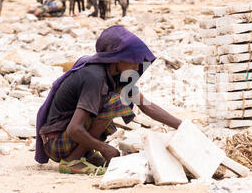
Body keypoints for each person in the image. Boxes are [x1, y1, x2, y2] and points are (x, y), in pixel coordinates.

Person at [35, 25, 182, 175]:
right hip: (56, 141)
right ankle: (72, 160)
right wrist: (105, 148)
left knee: (116, 100)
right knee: (114, 102)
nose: (137, 66)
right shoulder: (94, 77)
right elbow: (74, 129)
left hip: (67, 136)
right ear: (116, 58)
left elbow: (146, 106)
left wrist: (183, 126)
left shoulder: (117, 75)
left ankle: (84, 153)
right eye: (133, 60)